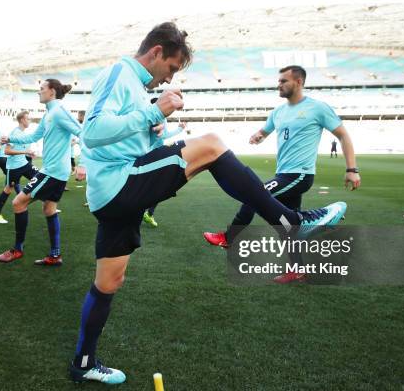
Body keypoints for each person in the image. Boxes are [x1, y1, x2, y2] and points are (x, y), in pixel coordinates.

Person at [69, 22, 347, 384]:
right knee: (212, 144)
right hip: (118, 184)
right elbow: (92, 132)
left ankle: (84, 363)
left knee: (108, 282)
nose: (169, 79)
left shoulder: (137, 88)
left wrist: (152, 126)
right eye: (171, 68)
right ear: (156, 52)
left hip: (117, 192)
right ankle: (290, 223)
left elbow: (125, 138)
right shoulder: (120, 72)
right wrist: (154, 113)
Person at [203, 65, 361, 283]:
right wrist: (258, 136)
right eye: (278, 81)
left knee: (254, 195)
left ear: (298, 82)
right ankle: (297, 270)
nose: (278, 85)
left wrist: (352, 169)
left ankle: (229, 238)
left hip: (299, 175)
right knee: (286, 227)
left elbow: (343, 135)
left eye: (283, 81)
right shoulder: (278, 112)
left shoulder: (317, 108)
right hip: (283, 173)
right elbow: (264, 131)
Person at [0, 79, 81, 266]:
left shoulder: (59, 111)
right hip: (55, 170)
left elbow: (82, 132)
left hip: (53, 171)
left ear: (52, 91)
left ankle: (17, 250)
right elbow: (34, 136)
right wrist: (10, 138)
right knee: (48, 209)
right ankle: (55, 255)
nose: (38, 92)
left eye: (41, 89)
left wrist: (82, 164)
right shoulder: (50, 113)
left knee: (18, 203)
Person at [0, 111, 38, 224]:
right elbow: (7, 151)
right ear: (22, 120)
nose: (30, 121)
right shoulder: (14, 133)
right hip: (13, 168)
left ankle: (50, 205)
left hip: (24, 164)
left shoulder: (24, 133)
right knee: (8, 190)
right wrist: (24, 151)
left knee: (41, 178)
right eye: (28, 119)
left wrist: (28, 153)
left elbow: (23, 149)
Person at [142, 120, 187, 227]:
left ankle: (147, 213)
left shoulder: (159, 116)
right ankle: (146, 213)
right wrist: (179, 129)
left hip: (153, 154)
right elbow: (162, 135)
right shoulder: (158, 117)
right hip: (151, 156)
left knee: (157, 186)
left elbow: (159, 136)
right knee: (160, 186)